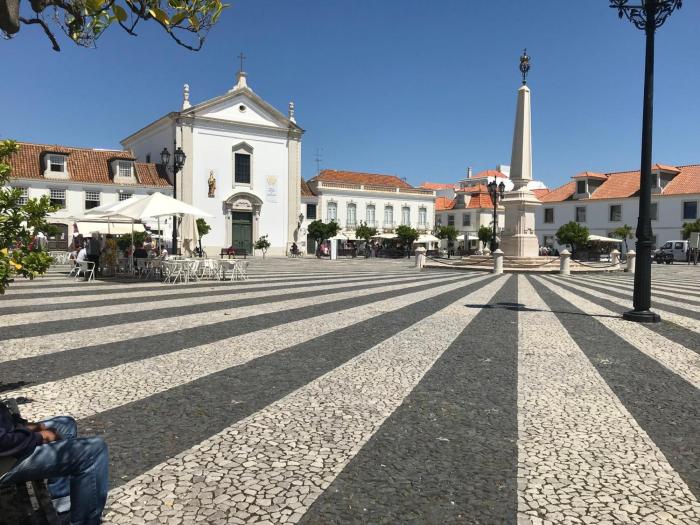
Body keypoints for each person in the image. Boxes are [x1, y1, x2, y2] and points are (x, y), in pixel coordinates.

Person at [0, 401, 109, 524]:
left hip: (9, 442)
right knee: (93, 451)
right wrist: (39, 437)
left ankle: (63, 509)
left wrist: (25, 426)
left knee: (66, 425)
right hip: (6, 459)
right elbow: (3, 443)